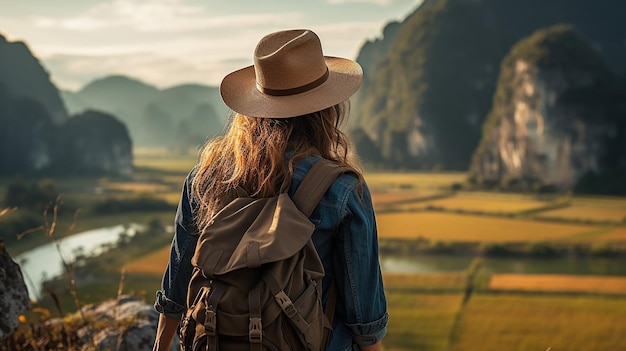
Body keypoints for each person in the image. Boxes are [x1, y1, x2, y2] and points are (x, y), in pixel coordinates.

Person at [153, 29, 388, 351]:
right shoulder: (342, 189)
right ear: (327, 110)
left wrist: (161, 345)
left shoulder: (206, 177)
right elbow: (364, 316)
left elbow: (177, 285)